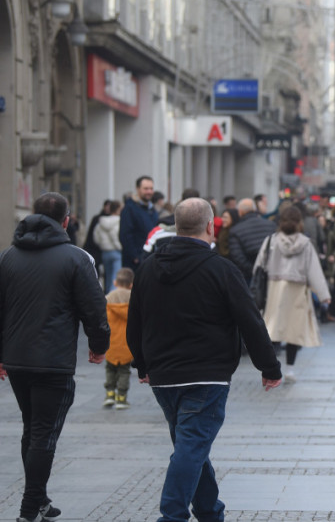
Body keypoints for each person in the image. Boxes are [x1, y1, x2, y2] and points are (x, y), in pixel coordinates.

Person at [126, 197, 282, 522]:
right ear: (211, 227)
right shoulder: (222, 269)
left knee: (191, 445)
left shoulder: (148, 268)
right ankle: (172, 516)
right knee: (191, 447)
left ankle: (211, 513)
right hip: (206, 375)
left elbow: (135, 321)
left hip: (164, 376)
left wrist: (142, 364)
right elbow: (250, 320)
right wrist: (269, 366)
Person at [0, 192, 110, 522]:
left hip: (18, 359)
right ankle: (29, 509)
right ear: (66, 221)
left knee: (32, 428)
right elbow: (94, 307)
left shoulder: (8, 257)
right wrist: (99, 344)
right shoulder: (76, 258)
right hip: (52, 360)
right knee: (44, 433)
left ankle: (41, 500)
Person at [255, 206, 331, 383]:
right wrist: (323, 295)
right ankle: (290, 370)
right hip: (297, 291)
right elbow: (314, 271)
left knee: (272, 330)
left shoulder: (270, 241)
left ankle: (271, 368)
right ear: (300, 223)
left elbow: (259, 266)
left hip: (274, 289)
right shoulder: (306, 244)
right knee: (293, 331)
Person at [103, 268, 134, 409]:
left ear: (115, 282)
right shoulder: (133, 298)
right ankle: (121, 398)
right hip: (127, 343)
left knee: (110, 368)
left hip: (111, 342)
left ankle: (110, 394)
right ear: (131, 284)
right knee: (124, 371)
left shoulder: (109, 298)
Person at [228, 198, 276, 284]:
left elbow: (237, 257)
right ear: (254, 210)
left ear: (240, 212)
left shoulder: (235, 230)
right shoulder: (271, 225)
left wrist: (254, 270)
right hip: (270, 273)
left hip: (248, 276)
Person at [119, 175, 158, 270]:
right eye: (146, 189)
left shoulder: (152, 209)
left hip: (151, 259)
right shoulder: (129, 208)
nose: (149, 192)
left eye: (151, 189)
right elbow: (125, 234)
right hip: (135, 263)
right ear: (137, 189)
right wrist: (135, 257)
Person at [94, 200, 123, 294]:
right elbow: (114, 235)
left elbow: (96, 237)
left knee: (108, 275)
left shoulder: (101, 222)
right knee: (115, 276)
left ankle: (107, 295)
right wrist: (120, 247)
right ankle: (112, 299)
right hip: (116, 251)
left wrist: (103, 245)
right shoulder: (119, 221)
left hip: (105, 252)